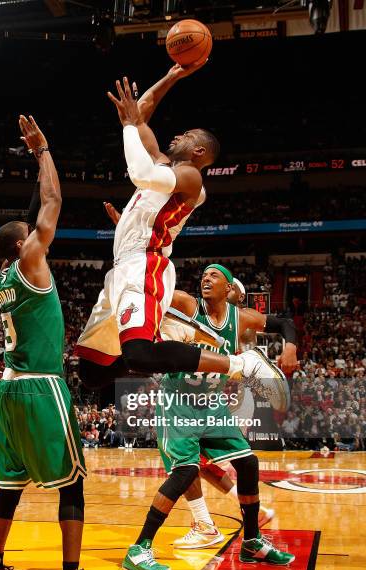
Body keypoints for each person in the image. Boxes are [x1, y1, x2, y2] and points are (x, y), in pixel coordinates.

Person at [76, 67, 288, 417]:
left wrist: (129, 126)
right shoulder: (165, 164)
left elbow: (139, 168)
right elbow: (139, 113)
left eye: (187, 135)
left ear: (200, 151)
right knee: (92, 372)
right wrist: (173, 75)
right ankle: (168, 334)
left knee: (140, 353)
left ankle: (240, 365)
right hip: (123, 267)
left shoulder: (190, 176)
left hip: (145, 264)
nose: (177, 135)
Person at [0, 116, 105, 570]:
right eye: (32, 237)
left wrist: (35, 168)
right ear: (22, 245)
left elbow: (34, 210)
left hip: (7, 389)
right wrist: (44, 151)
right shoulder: (30, 258)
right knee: (71, 483)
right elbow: (50, 203)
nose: (40, 239)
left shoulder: (4, 276)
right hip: (40, 387)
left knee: (9, 486)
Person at [122, 264, 296, 570]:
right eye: (204, 274)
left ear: (229, 289)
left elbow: (284, 323)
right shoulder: (189, 304)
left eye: (214, 275)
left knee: (248, 462)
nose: (206, 278)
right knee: (186, 471)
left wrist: (291, 347)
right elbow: (157, 290)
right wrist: (141, 257)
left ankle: (252, 541)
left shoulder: (241, 318)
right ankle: (139, 549)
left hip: (211, 403)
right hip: (177, 401)